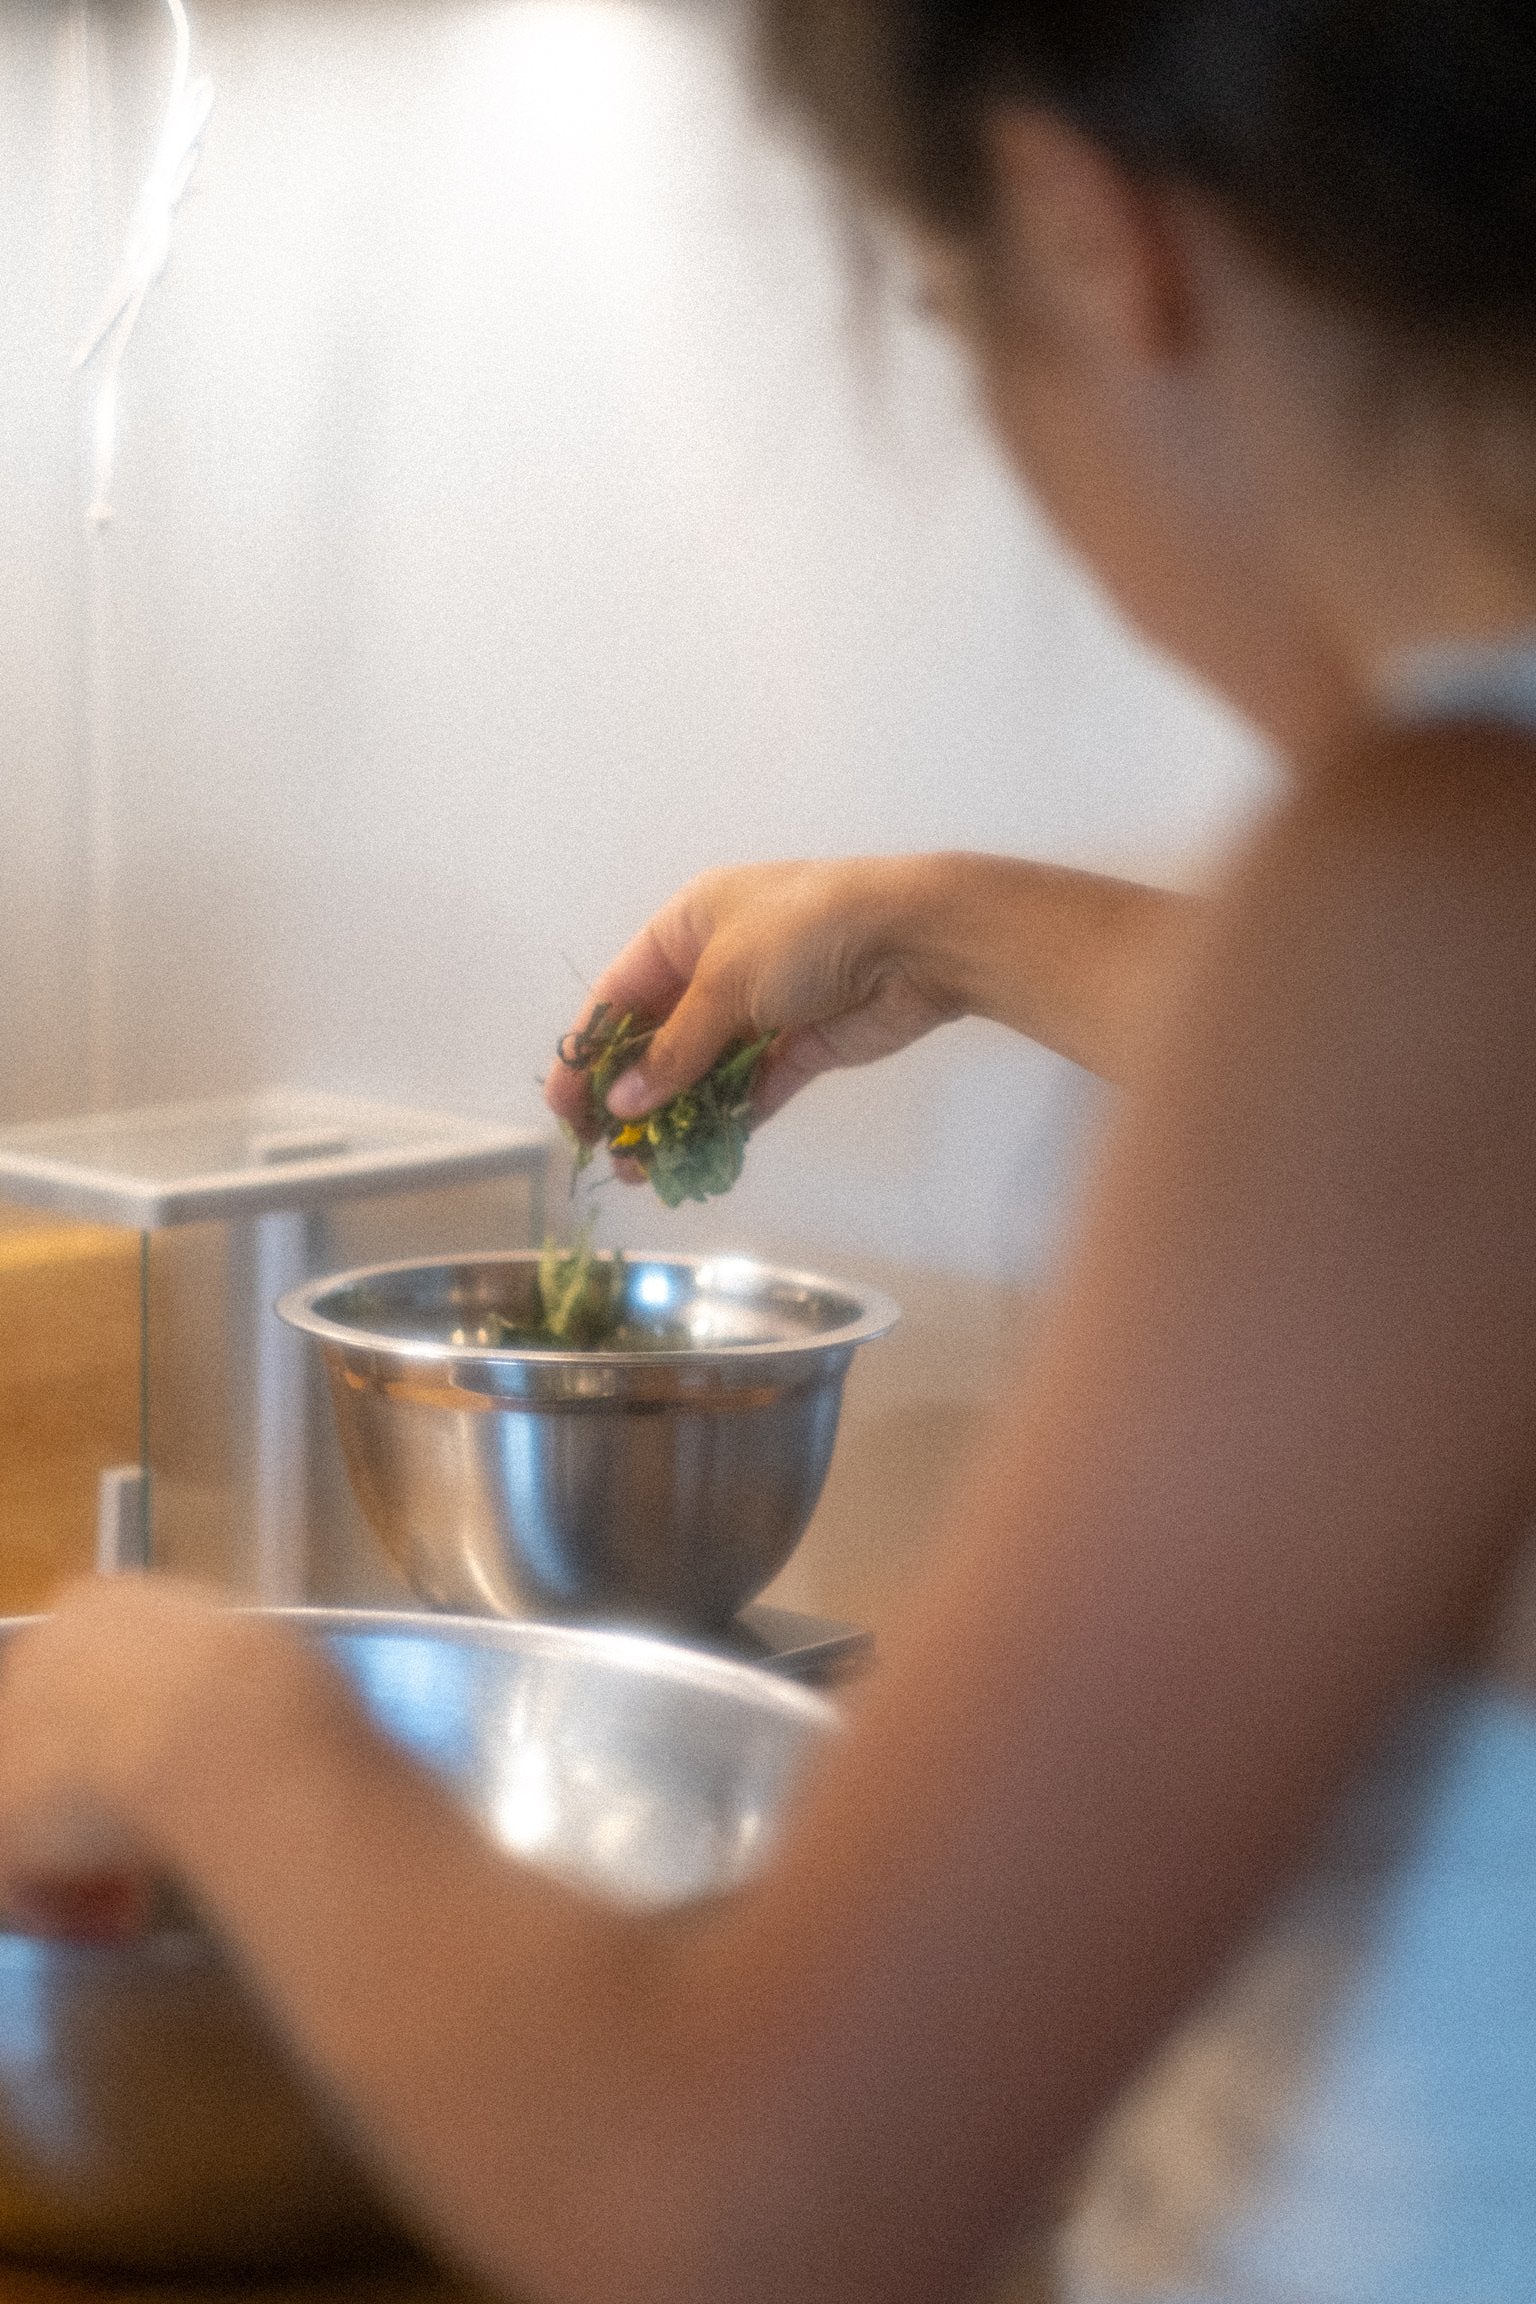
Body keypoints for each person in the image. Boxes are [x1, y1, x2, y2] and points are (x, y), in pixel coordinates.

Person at [4, 5, 1536, 2300]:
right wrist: (938, 923)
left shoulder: (1424, 905)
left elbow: (731, 2210)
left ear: (1086, 233)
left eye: (942, 305)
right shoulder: (1449, 925)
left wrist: (194, 1708)